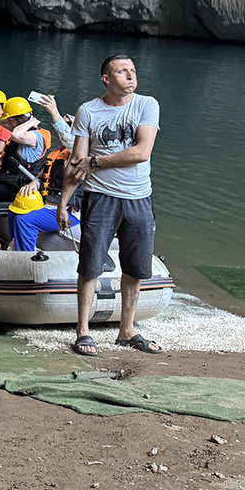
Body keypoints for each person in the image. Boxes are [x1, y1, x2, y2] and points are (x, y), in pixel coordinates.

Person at [61, 54, 161, 358]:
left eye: (132, 71)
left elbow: (142, 152)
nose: (130, 76)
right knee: (90, 266)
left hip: (138, 198)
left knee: (136, 267)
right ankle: (83, 331)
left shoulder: (147, 105)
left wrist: (97, 161)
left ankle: (127, 331)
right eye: (122, 72)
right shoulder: (88, 111)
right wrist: (63, 202)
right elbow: (77, 163)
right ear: (107, 78)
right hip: (100, 198)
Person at [5, 185, 80, 252]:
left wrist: (62, 206)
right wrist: (35, 182)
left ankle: (27, 260)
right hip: (49, 203)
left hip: (69, 210)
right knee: (14, 211)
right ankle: (15, 252)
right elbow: (44, 173)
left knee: (24, 220)